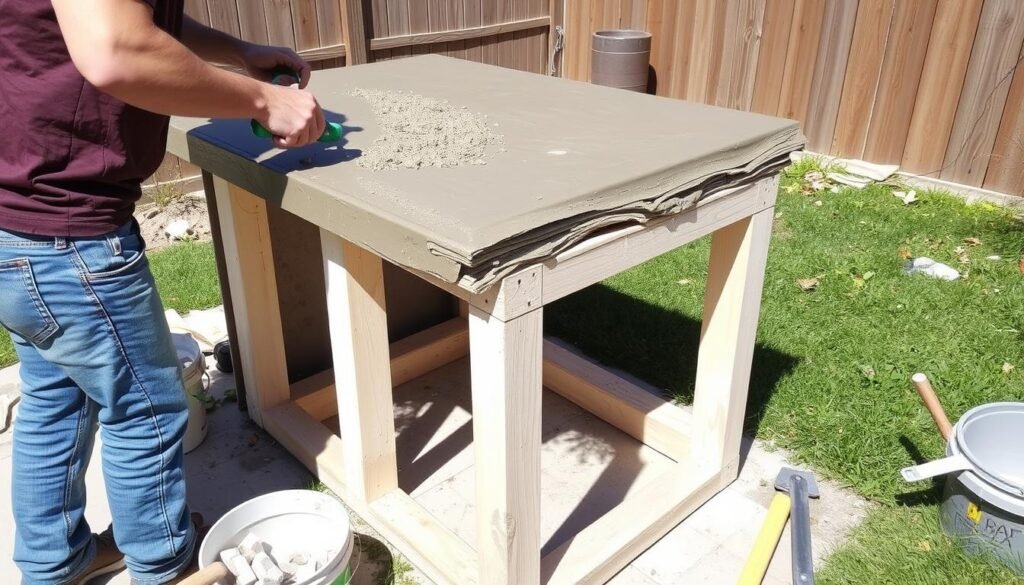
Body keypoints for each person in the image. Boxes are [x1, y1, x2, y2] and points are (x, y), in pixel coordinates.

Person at [0, 0, 326, 583]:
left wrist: (237, 52)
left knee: (56, 400)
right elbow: (118, 49)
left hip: (19, 229)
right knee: (146, 411)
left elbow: (135, 19)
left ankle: (56, 564)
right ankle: (164, 566)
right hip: (70, 240)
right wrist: (264, 99)